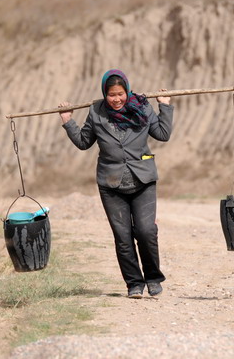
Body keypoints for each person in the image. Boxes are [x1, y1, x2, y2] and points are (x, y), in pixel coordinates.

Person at [58, 69, 173, 298]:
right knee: (122, 236)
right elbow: (83, 142)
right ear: (105, 94)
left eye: (120, 94)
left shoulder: (142, 107)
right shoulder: (96, 112)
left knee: (146, 230)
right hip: (111, 184)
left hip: (143, 179)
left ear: (127, 91)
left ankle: (152, 278)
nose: (117, 99)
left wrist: (165, 106)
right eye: (111, 95)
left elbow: (163, 133)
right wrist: (68, 121)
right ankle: (134, 284)